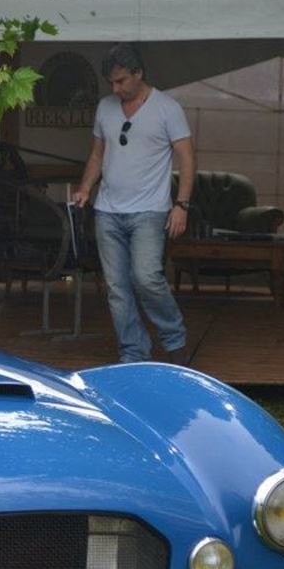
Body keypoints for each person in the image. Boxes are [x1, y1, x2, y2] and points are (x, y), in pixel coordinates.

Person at [72, 43, 196, 365]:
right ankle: (133, 353)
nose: (116, 88)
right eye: (112, 83)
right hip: (107, 211)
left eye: (122, 81)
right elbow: (98, 153)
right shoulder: (105, 107)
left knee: (147, 278)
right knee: (116, 288)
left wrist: (181, 205)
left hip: (150, 211)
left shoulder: (168, 108)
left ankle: (174, 340)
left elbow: (186, 159)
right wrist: (85, 188)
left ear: (139, 73)